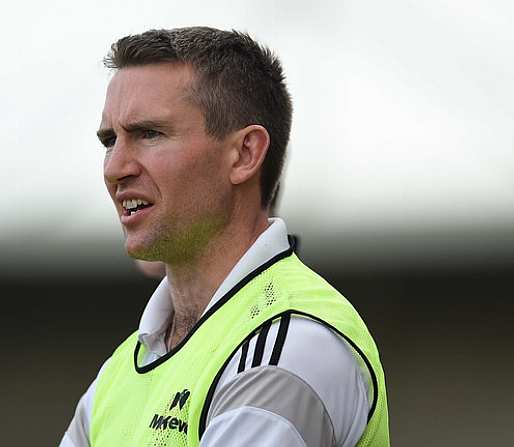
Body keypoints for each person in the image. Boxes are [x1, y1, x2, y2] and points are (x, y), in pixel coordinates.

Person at [60, 27, 389, 447]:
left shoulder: (288, 345)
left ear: (245, 154)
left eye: (149, 134)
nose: (115, 167)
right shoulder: (119, 372)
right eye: (110, 140)